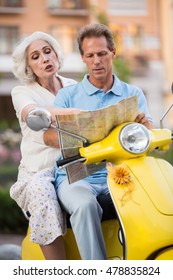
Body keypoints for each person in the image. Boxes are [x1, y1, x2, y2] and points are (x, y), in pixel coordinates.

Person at [53, 23, 154, 260]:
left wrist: (144, 126)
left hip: (121, 175)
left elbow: (149, 132)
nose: (96, 60)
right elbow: (51, 136)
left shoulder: (133, 93)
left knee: (153, 198)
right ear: (83, 58)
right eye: (90, 55)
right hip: (77, 177)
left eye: (101, 53)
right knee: (85, 205)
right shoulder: (66, 96)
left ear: (113, 53)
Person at [9, 31, 79, 260]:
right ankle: (57, 268)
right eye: (36, 57)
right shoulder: (22, 92)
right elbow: (33, 114)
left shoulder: (74, 87)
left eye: (47, 52)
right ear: (29, 67)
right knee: (41, 192)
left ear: (57, 54)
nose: (44, 59)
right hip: (39, 172)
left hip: (75, 166)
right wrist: (79, 113)